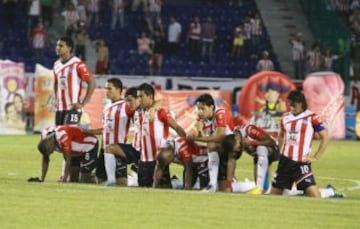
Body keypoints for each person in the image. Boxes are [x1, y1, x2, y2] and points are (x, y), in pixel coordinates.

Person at [270, 90, 330, 197]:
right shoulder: (285, 118)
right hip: (285, 162)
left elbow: (325, 137)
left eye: (294, 105)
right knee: (274, 195)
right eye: (289, 105)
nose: (291, 107)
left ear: (301, 103)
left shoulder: (312, 117)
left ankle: (330, 192)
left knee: (314, 196)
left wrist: (316, 156)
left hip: (301, 162)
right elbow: (281, 135)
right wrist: (280, 151)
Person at [86, 78, 136, 186]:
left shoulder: (126, 106)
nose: (106, 91)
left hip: (117, 149)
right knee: (99, 181)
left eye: (109, 88)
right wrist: (89, 132)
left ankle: (134, 180)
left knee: (121, 183)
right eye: (106, 89)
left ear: (118, 90)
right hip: (104, 149)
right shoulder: (107, 107)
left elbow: (138, 119)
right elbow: (106, 129)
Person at [137, 83, 186, 187]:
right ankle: (176, 182)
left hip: (159, 161)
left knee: (163, 190)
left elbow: (176, 127)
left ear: (150, 96)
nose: (139, 99)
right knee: (142, 193)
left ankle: (177, 183)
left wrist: (185, 143)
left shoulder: (160, 111)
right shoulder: (140, 112)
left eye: (141, 96)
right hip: (143, 161)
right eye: (138, 96)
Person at [187, 93, 234, 192]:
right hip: (219, 148)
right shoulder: (201, 117)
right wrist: (197, 132)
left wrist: (197, 138)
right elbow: (198, 132)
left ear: (211, 107)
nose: (200, 112)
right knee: (223, 188)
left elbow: (220, 136)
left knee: (211, 145)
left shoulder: (220, 113)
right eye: (198, 108)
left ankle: (212, 184)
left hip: (232, 147)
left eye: (203, 108)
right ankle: (211, 183)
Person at [29, 125, 99, 183]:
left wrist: (64, 180)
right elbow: (45, 157)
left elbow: (67, 159)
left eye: (51, 151)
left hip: (88, 147)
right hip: (74, 152)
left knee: (84, 179)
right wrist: (42, 179)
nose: (53, 152)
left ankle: (98, 179)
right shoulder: (44, 136)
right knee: (73, 179)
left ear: (50, 144)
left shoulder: (63, 136)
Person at [222, 124, 280, 193]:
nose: (238, 150)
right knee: (265, 188)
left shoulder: (250, 130)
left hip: (274, 150)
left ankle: (259, 188)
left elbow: (272, 142)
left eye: (238, 148)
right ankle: (262, 188)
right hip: (258, 158)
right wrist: (228, 186)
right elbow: (231, 161)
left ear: (237, 138)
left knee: (261, 148)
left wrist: (252, 143)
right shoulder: (233, 139)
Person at [53, 36, 96, 126]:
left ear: (69, 48)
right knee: (59, 136)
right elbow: (56, 82)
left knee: (69, 136)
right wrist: (56, 98)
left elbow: (92, 82)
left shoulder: (77, 64)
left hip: (73, 108)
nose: (58, 48)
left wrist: (83, 103)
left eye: (61, 46)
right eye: (57, 45)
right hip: (60, 108)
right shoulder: (56, 64)